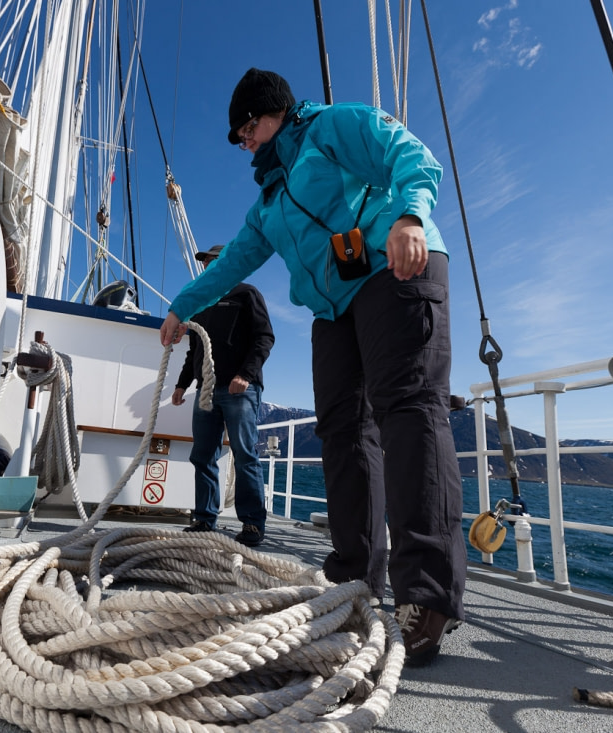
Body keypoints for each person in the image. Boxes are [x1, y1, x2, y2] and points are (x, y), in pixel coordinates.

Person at [159, 68, 466, 667]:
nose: (243, 141)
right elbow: (231, 265)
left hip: (397, 266)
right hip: (336, 307)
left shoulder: (332, 126)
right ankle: (354, 577)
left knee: (407, 413)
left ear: (273, 113)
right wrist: (180, 308)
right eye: (238, 135)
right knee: (342, 430)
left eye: (247, 127)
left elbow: (409, 154)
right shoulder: (269, 201)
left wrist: (408, 217)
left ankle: (426, 599)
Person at [171, 244, 275, 548]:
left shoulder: (247, 294)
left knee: (245, 455)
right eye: (205, 261)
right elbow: (195, 350)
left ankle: (253, 524)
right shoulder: (199, 301)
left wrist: (246, 375)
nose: (208, 266)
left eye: (214, 261)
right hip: (205, 390)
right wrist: (181, 385)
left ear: (227, 261)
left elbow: (264, 338)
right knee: (202, 455)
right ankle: (204, 519)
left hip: (240, 389)